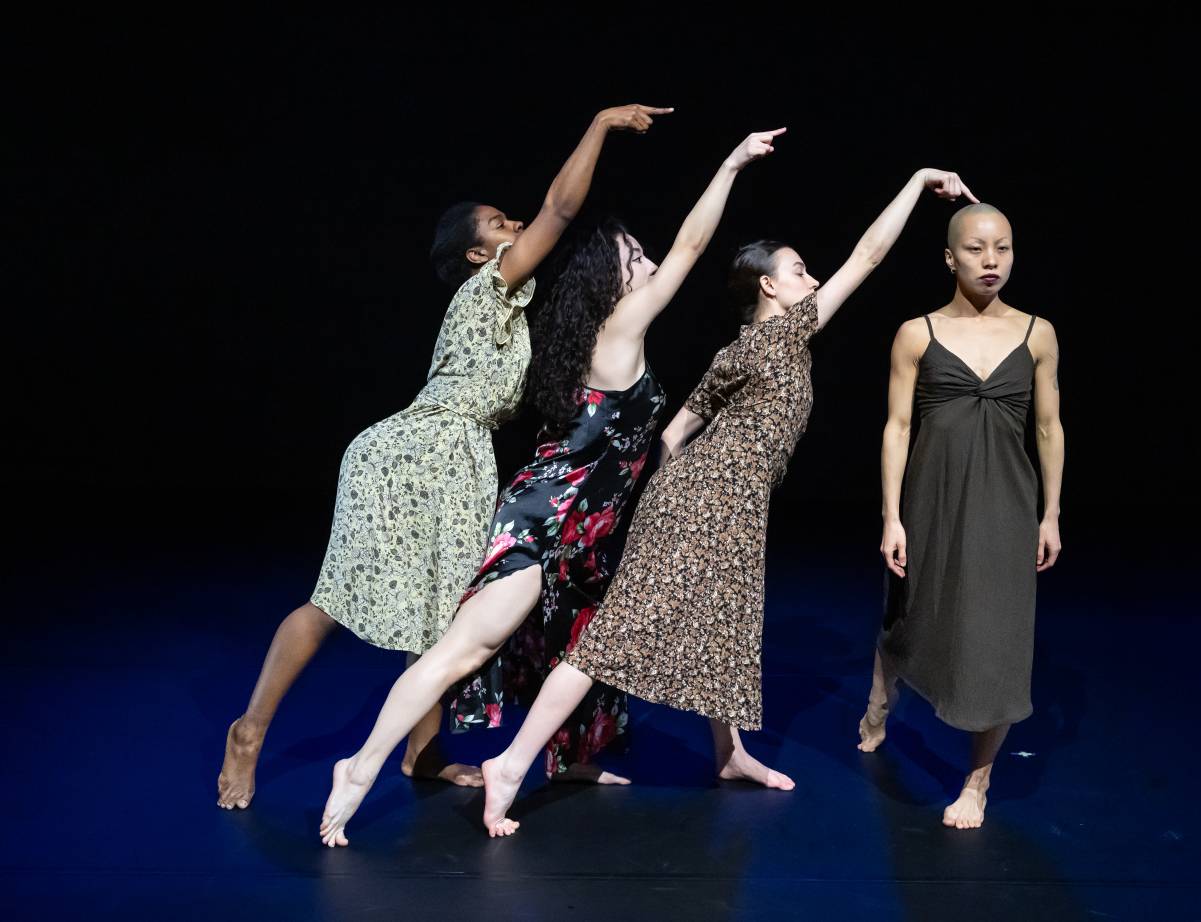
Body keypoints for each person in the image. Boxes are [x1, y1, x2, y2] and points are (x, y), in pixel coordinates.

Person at [318, 127, 788, 847]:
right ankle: (358, 767)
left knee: (580, 644)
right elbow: (692, 248)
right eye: (637, 256)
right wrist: (729, 162)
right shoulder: (621, 327)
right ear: (614, 277)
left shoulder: (587, 338)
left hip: (581, 528)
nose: (652, 261)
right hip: (549, 518)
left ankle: (568, 761)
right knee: (466, 651)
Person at [477, 167, 978, 837]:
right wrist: (916, 185)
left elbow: (677, 429)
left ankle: (730, 754)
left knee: (730, 632)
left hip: (724, 503)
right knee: (615, 637)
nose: (813, 279)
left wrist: (673, 496)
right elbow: (869, 255)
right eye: (800, 270)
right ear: (771, 286)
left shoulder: (740, 349)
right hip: (710, 502)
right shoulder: (786, 331)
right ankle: (509, 764)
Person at [215, 103, 669, 809]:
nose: (516, 226)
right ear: (477, 256)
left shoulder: (513, 310)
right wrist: (601, 126)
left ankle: (421, 756)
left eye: (510, 220)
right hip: (411, 451)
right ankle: (249, 730)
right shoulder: (489, 287)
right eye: (499, 226)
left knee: (442, 612)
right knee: (334, 601)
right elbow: (559, 204)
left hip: (460, 456)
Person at [858, 202, 1065, 831]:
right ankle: (878, 703)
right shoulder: (915, 332)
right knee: (912, 614)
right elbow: (896, 428)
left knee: (1000, 640)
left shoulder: (1038, 333)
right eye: (976, 249)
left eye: (1002, 247)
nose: (991, 261)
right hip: (933, 497)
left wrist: (1051, 514)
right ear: (950, 258)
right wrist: (892, 516)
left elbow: (1050, 427)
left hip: (1006, 503)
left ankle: (977, 782)